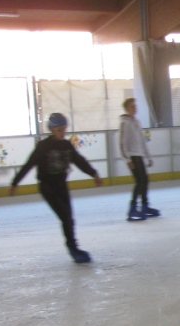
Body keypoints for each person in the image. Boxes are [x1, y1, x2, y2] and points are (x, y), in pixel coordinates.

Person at [9, 112, 103, 263]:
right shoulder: (44, 146)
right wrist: (14, 183)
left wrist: (93, 173)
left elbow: (79, 160)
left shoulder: (66, 145)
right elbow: (29, 164)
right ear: (52, 129)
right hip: (47, 187)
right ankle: (72, 248)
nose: (62, 132)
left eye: (64, 129)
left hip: (61, 186)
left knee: (69, 218)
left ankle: (74, 247)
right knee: (65, 216)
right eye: (59, 129)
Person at [118, 97, 158, 221]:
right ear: (126, 109)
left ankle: (144, 206)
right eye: (132, 107)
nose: (135, 109)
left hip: (139, 155)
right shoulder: (124, 123)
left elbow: (142, 141)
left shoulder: (136, 122)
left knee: (145, 180)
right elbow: (121, 143)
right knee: (140, 181)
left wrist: (148, 156)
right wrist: (127, 159)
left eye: (135, 106)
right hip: (132, 156)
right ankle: (132, 209)